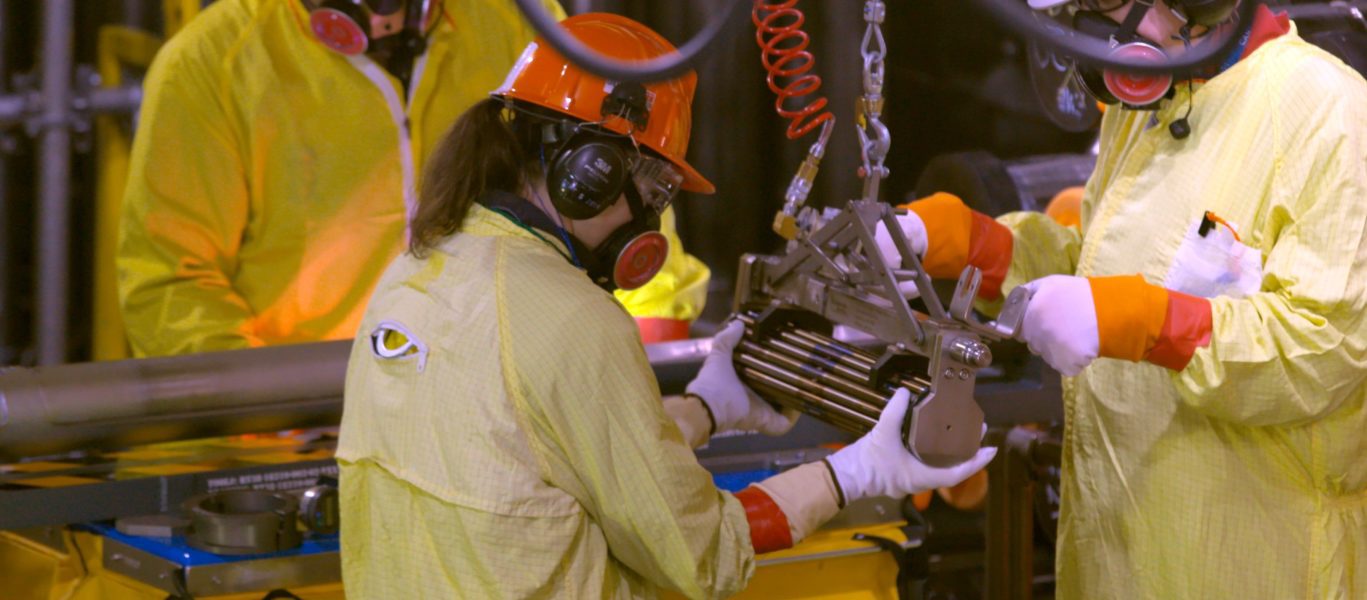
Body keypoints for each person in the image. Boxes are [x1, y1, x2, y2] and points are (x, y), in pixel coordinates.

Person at [335, 13, 995, 598]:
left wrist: (705, 410)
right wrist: (853, 474)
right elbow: (703, 555)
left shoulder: (419, 268)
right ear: (588, 170)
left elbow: (546, 462)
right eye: (653, 186)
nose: (650, 216)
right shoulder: (573, 319)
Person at [880, 0, 1367, 596]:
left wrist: (1140, 321)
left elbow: (1326, 347)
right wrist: (971, 246)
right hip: (1117, 555)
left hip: (1256, 559)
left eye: (1103, 3)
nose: (1089, 28)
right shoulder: (1147, 106)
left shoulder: (1329, 110)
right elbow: (1098, 264)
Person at [117, 0, 708, 359]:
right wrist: (280, 425)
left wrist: (651, 365)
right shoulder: (211, 65)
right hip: (305, 431)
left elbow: (625, 187)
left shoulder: (518, 29)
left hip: (505, 417)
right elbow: (171, 289)